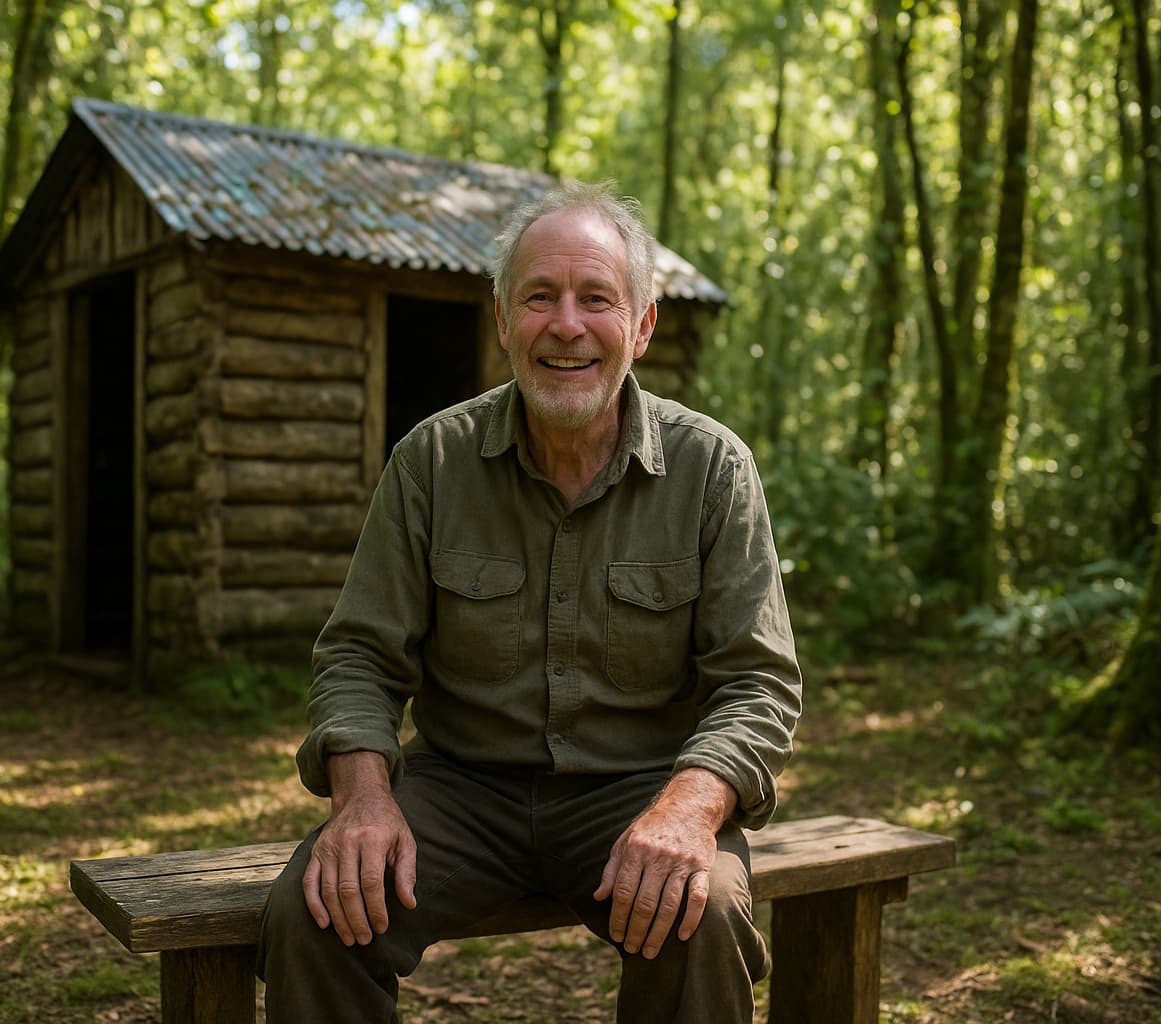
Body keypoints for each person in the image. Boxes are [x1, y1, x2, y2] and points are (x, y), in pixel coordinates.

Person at [258, 181, 802, 1023]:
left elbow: (757, 683)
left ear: (644, 326)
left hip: (639, 790)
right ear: (504, 321)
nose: (567, 325)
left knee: (707, 910)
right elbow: (359, 656)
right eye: (539, 297)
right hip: (459, 793)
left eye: (597, 299)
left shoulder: (712, 470)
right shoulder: (431, 462)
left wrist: (688, 810)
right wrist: (362, 801)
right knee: (318, 907)